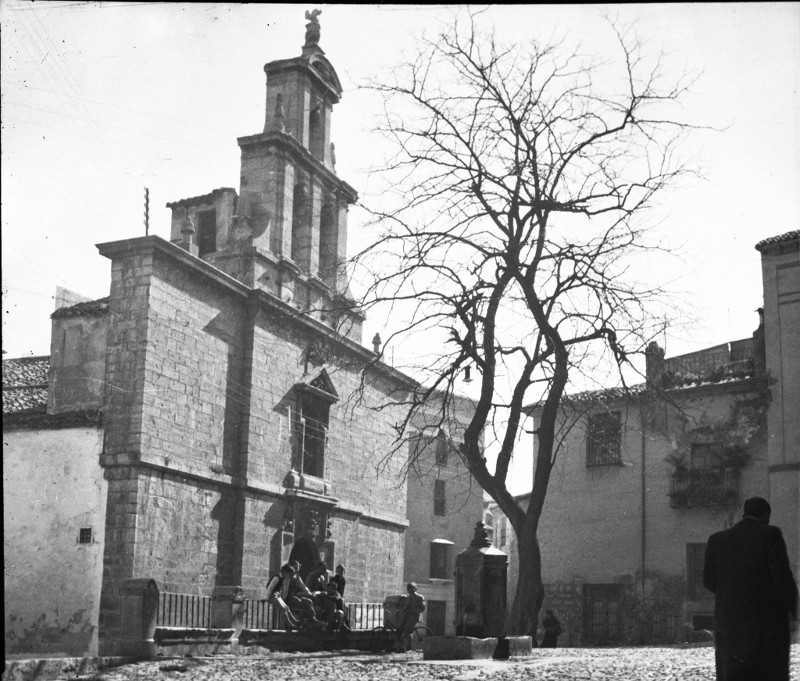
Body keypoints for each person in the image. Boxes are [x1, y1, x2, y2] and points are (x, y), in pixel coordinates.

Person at [703, 496, 798, 681]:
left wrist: (732, 591)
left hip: (729, 625)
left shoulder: (717, 540)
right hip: (766, 627)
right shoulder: (770, 535)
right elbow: (783, 578)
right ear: (766, 515)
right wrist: (796, 610)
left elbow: (708, 581)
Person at [264, 563, 319, 628]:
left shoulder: (283, 578)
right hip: (273, 596)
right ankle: (290, 624)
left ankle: (295, 621)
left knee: (287, 608)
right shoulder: (277, 577)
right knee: (284, 609)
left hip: (277, 595)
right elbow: (270, 588)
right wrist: (266, 598)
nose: (290, 577)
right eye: (289, 575)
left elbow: (281, 588)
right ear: (285, 572)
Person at [395, 582, 426, 652]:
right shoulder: (408, 598)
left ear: (415, 589)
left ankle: (404, 648)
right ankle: (399, 646)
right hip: (406, 616)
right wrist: (401, 611)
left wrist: (414, 611)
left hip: (414, 617)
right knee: (399, 630)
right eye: (408, 588)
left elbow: (422, 608)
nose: (409, 590)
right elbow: (405, 607)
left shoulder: (420, 597)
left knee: (407, 631)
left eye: (411, 588)